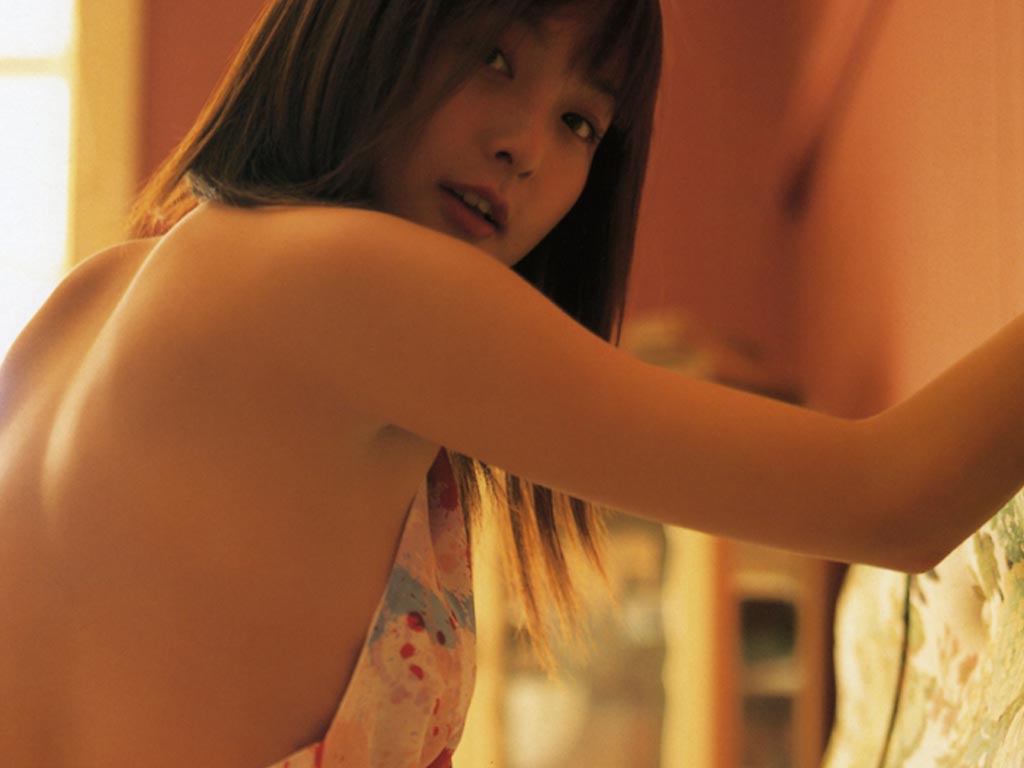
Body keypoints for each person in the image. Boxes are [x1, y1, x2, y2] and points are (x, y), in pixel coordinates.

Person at [1, 0, 1022, 765]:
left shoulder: (81, 305)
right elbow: (890, 496)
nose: (525, 146)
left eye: (580, 122)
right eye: (495, 56)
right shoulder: (356, 282)